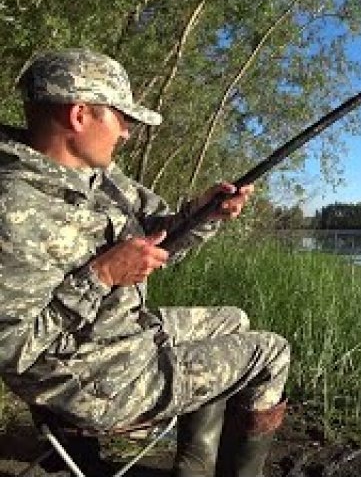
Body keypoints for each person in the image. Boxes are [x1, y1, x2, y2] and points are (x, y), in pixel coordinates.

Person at [0, 49, 290, 477]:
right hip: (84, 376)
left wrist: (205, 213)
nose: (128, 134)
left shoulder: (100, 177)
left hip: (119, 334)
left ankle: (192, 467)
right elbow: (11, 350)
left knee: (234, 320)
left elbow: (162, 235)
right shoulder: (14, 207)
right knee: (272, 352)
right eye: (121, 119)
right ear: (79, 115)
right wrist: (102, 276)